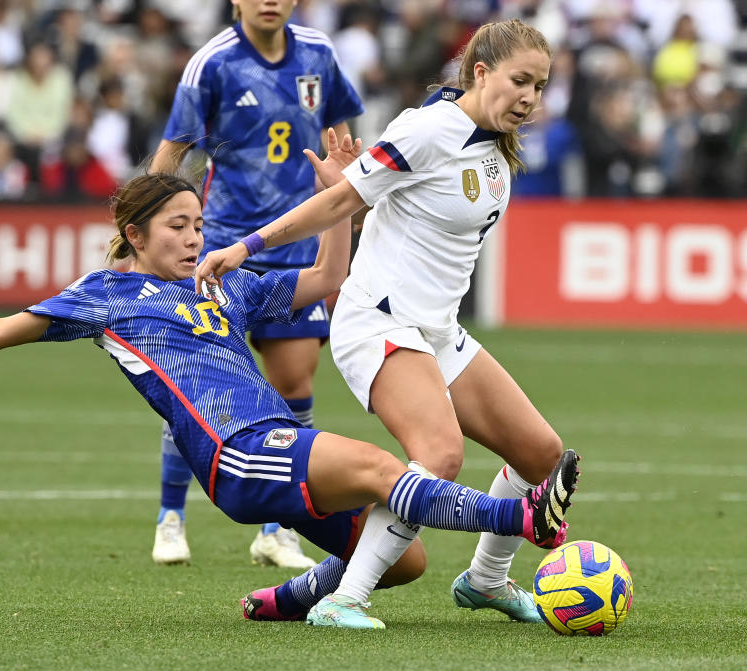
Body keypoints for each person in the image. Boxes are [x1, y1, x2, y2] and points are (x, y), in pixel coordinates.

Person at [0, 152, 579, 631]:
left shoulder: (224, 287)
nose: (193, 238)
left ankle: (284, 601)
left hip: (273, 450)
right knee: (389, 470)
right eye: (177, 227)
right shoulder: (106, 296)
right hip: (237, 455)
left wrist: (339, 205)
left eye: (197, 224)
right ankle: (518, 515)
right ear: (135, 233)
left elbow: (323, 281)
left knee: (401, 561)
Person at [198, 18, 568, 625]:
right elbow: (342, 201)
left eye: (540, 85)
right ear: (480, 72)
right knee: (438, 455)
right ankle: (344, 599)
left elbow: (398, 217)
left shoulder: (496, 143)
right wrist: (246, 247)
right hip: (378, 322)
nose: (529, 97)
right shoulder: (429, 129)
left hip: (438, 332)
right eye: (519, 81)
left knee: (542, 457)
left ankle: (486, 580)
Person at [146, 0, 364, 568]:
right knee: (205, 391)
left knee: (293, 385)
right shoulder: (212, 64)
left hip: (298, 246)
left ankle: (277, 528)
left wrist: (351, 194)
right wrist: (144, 232)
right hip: (222, 250)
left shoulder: (318, 53)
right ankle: (171, 518)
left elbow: (341, 137)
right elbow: (175, 151)